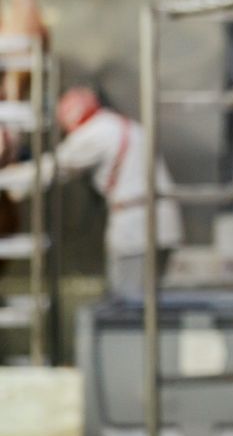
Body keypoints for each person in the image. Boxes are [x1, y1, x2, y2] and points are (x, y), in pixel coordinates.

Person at [0, 87, 183, 299]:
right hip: (162, 224)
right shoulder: (117, 125)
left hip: (136, 229)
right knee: (148, 301)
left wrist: (8, 179)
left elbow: (55, 168)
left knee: (128, 301)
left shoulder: (96, 133)